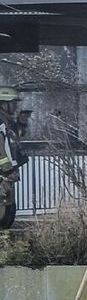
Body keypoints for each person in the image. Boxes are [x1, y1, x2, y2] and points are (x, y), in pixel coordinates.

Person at [0, 86, 29, 229]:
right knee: (3, 210)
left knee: (8, 209)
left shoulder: (7, 121)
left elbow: (14, 139)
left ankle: (4, 242)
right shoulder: (0, 121)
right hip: (3, 173)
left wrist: (22, 123)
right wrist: (7, 169)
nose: (16, 106)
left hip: (7, 173)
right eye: (14, 103)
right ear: (4, 103)